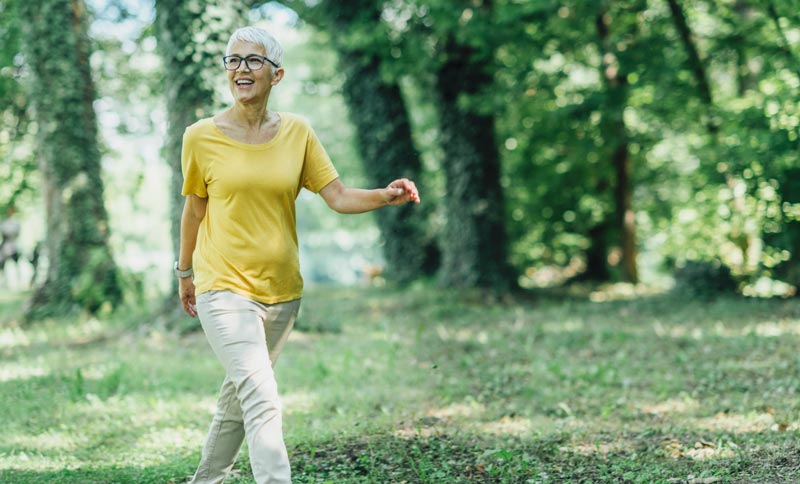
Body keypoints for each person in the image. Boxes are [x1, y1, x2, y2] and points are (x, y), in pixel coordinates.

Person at [176, 26, 420, 484]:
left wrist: (387, 196)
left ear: (277, 74)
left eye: (253, 61)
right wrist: (184, 271)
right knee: (262, 396)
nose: (241, 69)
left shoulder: (298, 133)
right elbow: (194, 210)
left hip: (282, 294)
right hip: (223, 288)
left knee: (241, 395)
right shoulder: (200, 137)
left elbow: (340, 196)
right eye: (233, 60)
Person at [0, 204, 21, 287]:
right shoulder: (4, 222)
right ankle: (4, 282)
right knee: (2, 264)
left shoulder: (16, 223)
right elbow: (4, 233)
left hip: (13, 246)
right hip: (5, 246)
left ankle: (18, 282)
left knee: (16, 263)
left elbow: (16, 234)